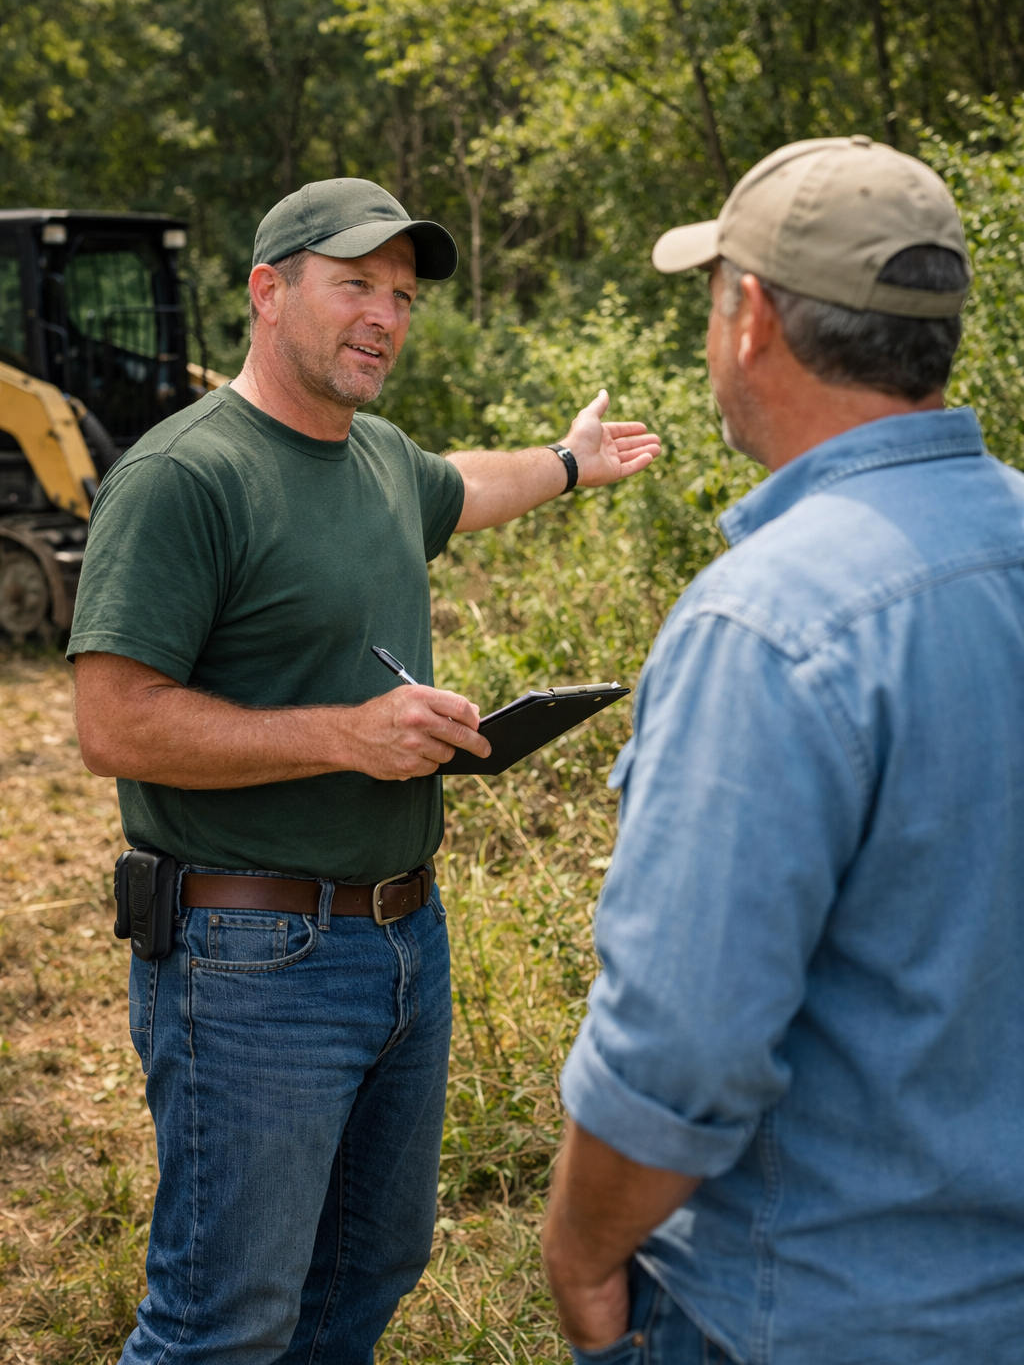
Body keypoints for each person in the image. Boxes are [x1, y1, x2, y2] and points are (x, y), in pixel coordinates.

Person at [68, 176, 661, 1365]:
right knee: (220, 1321)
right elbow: (113, 725)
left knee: (366, 1272)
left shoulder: (379, 458)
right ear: (268, 291)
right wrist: (344, 734)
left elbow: (463, 483)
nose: (384, 316)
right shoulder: (187, 476)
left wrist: (565, 459)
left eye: (400, 294)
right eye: (354, 285)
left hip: (401, 940)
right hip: (249, 961)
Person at [542, 136, 1024, 1364]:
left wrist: (581, 1255)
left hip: (811, 1312)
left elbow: (682, 1052)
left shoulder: (767, 623)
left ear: (748, 316)